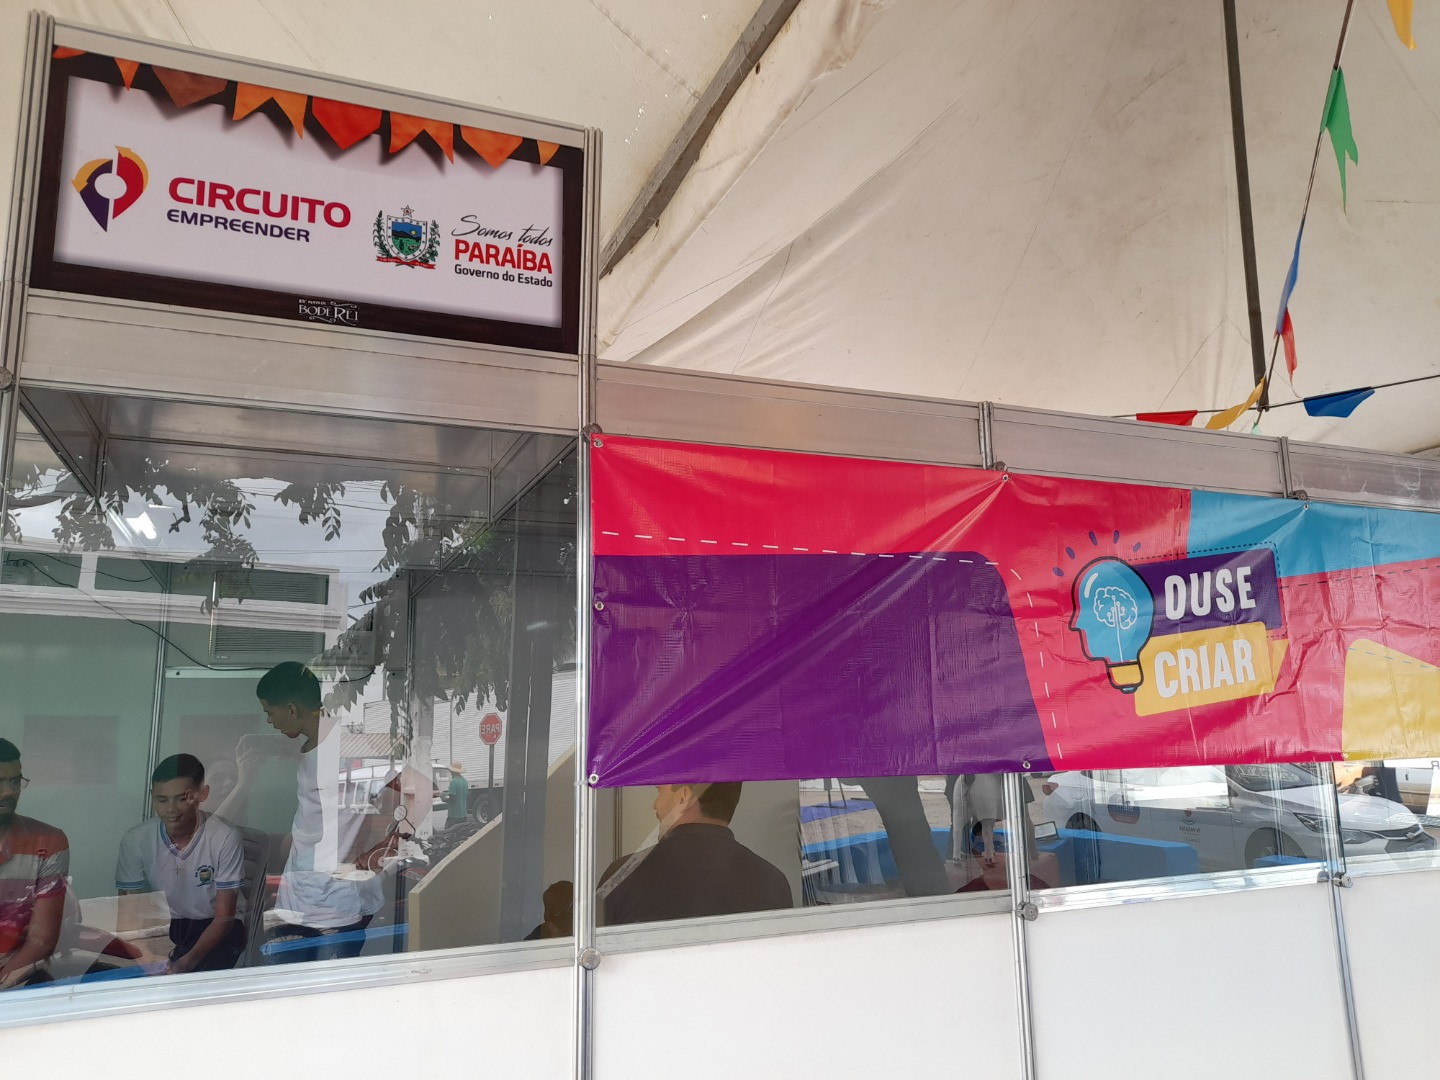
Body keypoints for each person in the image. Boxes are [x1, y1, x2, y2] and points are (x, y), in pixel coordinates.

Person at [250, 662, 385, 963]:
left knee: (325, 988)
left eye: (270, 712)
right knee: (285, 982)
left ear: (292, 709)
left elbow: (419, 790)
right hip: (298, 895)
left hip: (334, 902)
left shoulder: (351, 746)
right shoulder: (311, 746)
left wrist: (384, 849)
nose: (269, 720)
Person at [116, 754, 247, 974]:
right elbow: (128, 917)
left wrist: (186, 963)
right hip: (163, 926)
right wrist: (145, 956)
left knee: (188, 981)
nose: (171, 809)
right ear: (152, 797)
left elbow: (224, 918)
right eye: (162, 800)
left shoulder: (224, 837)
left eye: (182, 798)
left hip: (214, 927)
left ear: (202, 794)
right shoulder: (136, 840)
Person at [601, 782, 791, 926]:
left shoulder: (620, 876)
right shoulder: (774, 882)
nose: (655, 805)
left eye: (659, 791)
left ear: (683, 797)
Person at [0, 738, 69, 989]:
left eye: (15, 781)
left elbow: (42, 941)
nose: (9, 791)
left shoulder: (48, 842)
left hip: (19, 981)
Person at [446, 762, 469, 827]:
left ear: (453, 771)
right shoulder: (465, 781)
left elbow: (452, 799)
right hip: (463, 814)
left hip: (454, 815)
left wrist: (444, 799)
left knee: (450, 831)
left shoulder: (453, 782)